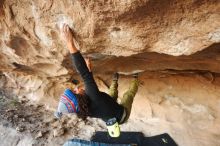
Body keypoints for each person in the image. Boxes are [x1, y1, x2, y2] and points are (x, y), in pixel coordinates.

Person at [55, 24, 139, 125]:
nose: (76, 88)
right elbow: (84, 73)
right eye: (75, 92)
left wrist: (89, 70)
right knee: (128, 95)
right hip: (121, 115)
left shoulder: (83, 109)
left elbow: (88, 79)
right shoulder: (92, 96)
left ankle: (115, 80)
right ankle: (135, 78)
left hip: (107, 108)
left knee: (112, 92)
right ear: (79, 99)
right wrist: (70, 43)